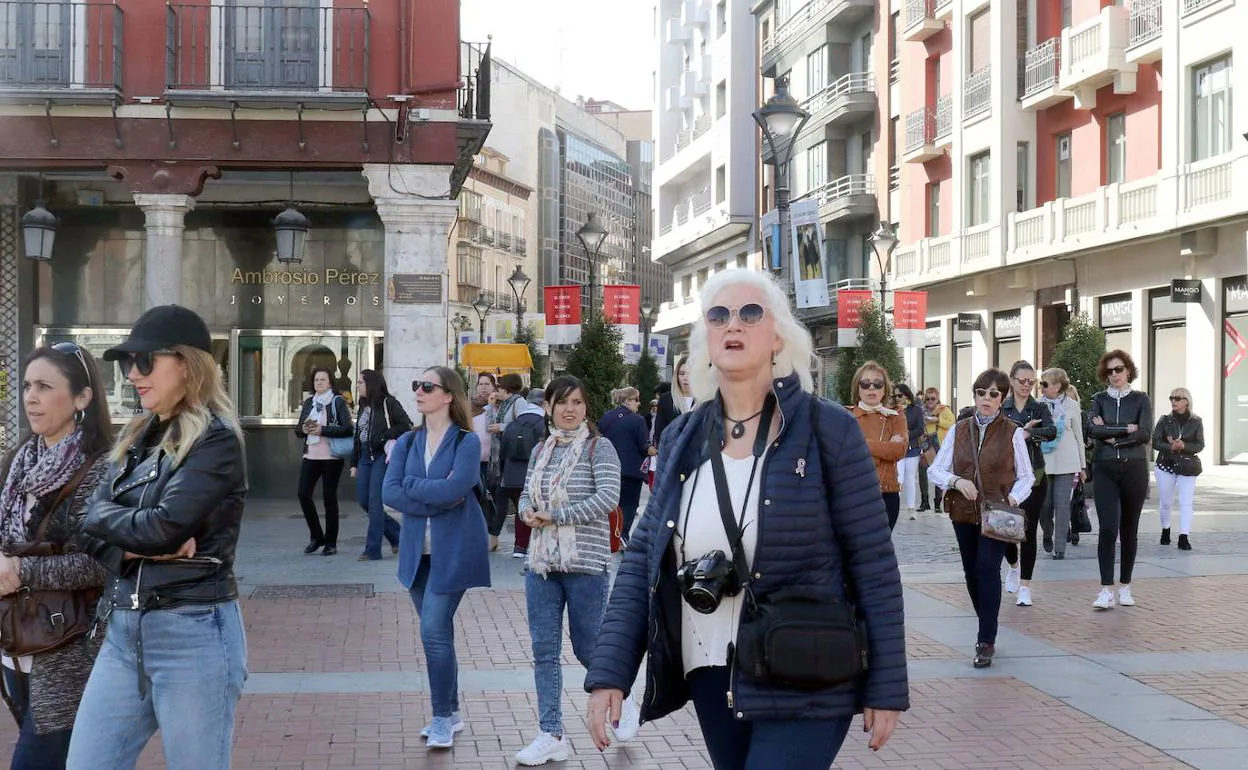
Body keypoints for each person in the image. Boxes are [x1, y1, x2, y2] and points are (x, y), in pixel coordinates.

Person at [584, 270, 907, 770]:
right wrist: (611, 673)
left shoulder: (828, 431)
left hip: (806, 667)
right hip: (712, 667)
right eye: (719, 316)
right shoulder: (684, 438)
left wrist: (886, 684)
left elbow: (873, 563)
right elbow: (643, 561)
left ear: (778, 336)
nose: (733, 324)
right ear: (706, 341)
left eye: (750, 313)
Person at [68, 305, 249, 769]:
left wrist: (123, 527)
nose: (132, 373)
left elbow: (162, 528)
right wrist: (135, 536)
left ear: (186, 364)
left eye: (144, 361)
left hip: (192, 629)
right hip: (123, 628)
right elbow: (82, 522)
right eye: (127, 362)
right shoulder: (137, 435)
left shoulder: (216, 440)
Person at [0, 344, 112, 768]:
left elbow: (99, 561)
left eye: (45, 387)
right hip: (16, 641)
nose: (31, 397)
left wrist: (21, 569)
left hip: (68, 645)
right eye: (28, 385)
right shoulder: (19, 461)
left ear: (82, 398)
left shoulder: (100, 469)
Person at [513, 376, 631, 766]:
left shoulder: (601, 447)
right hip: (542, 565)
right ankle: (551, 733)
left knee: (589, 648)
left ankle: (619, 698)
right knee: (544, 651)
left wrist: (557, 515)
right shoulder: (540, 450)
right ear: (547, 407)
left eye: (577, 403)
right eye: (562, 402)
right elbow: (527, 492)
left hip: (585, 564)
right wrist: (527, 511)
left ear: (586, 408)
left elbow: (608, 498)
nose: (570, 409)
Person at [382, 366, 491, 750]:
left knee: (432, 631)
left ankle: (441, 717)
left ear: (448, 396)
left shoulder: (466, 441)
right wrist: (431, 491)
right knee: (439, 634)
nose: (418, 391)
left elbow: (457, 488)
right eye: (416, 385)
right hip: (416, 554)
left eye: (427, 386)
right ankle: (454, 711)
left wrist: (417, 489)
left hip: (456, 550)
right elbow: (390, 492)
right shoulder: (409, 441)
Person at [928, 368, 1034, 668]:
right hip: (963, 512)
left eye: (993, 394)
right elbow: (935, 469)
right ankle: (986, 618)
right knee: (972, 573)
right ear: (974, 394)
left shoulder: (1012, 431)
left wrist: (1011, 499)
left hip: (998, 515)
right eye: (980, 392)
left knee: (987, 569)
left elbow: (1026, 477)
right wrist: (957, 482)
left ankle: (985, 639)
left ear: (1002, 398)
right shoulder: (960, 429)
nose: (986, 399)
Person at [1086, 350, 1152, 609]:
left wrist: (1113, 437)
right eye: (1110, 371)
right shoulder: (1098, 399)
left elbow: (1145, 433)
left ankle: (1125, 586)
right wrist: (1126, 428)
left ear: (1128, 371)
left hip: (1134, 468)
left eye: (1119, 369)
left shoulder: (1140, 399)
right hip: (1105, 468)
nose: (1115, 375)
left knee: (1129, 529)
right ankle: (1106, 590)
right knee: (1108, 528)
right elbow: (1093, 429)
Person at [1000, 361, 1055, 607]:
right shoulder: (1002, 407)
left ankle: (1025, 586)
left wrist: (1028, 434)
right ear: (1012, 380)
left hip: (1035, 475)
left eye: (1031, 381)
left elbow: (1052, 431)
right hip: (1006, 477)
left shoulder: (1039, 408)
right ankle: (1013, 565)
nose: (1026, 385)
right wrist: (1018, 432)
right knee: (1006, 533)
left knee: (1029, 531)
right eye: (1022, 380)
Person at [351, 369, 412, 561]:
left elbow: (406, 425)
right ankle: (396, 534)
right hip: (364, 458)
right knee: (364, 501)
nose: (357, 385)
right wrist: (353, 462)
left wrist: (384, 436)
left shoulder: (389, 403)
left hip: (381, 457)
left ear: (371, 384)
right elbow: (358, 436)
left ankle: (372, 549)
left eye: (360, 382)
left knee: (375, 503)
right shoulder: (362, 405)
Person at [295, 366, 353, 556]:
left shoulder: (337, 402)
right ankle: (316, 536)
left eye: (322, 379)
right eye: (316, 380)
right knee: (303, 494)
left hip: (331, 457)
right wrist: (304, 429)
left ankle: (331, 543)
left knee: (329, 498)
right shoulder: (309, 402)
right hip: (310, 455)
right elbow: (298, 430)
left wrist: (322, 430)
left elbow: (347, 429)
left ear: (330, 382)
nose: (318, 382)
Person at [849, 362, 907, 531]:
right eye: (865, 383)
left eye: (878, 384)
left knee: (879, 551)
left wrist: (862, 445)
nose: (871, 388)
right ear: (857, 388)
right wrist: (884, 449)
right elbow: (842, 453)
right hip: (853, 493)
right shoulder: (846, 416)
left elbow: (899, 450)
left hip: (886, 493)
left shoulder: (895, 416)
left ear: (884, 389)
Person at [1037, 368, 1086, 561]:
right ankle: (1047, 532)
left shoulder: (1073, 406)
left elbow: (1079, 436)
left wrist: (1082, 467)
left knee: (1062, 505)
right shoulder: (1038, 404)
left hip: (1067, 461)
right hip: (1044, 461)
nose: (1041, 387)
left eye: (1045, 384)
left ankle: (1060, 549)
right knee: (1045, 505)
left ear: (1057, 386)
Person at [498, 389, 548, 559]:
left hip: (511, 475)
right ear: (544, 404)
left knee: (522, 510)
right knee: (538, 510)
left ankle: (519, 546)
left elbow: (502, 451)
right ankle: (531, 546)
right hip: (532, 475)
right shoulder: (543, 423)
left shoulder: (513, 424)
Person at [1152, 387, 1203, 551]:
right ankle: (1165, 529)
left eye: (1178, 398)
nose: (1174, 401)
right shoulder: (1164, 419)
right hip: (1165, 465)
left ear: (1186, 401)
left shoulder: (1196, 421)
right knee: (1166, 502)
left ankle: (1183, 537)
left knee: (1186, 502)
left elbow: (1200, 444)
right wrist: (1170, 446)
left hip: (1187, 466)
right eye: (1171, 398)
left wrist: (1184, 445)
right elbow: (1155, 442)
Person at [599, 387, 649, 541]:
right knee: (629, 505)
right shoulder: (638, 420)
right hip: (631, 470)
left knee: (611, 503)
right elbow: (644, 446)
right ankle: (622, 534)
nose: (639, 403)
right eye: (636, 399)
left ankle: (609, 533)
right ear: (628, 401)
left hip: (608, 468)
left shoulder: (606, 417)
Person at [918, 388, 954, 512]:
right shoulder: (921, 411)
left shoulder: (944, 409)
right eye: (927, 399)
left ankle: (938, 504)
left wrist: (937, 420)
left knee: (937, 472)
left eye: (933, 398)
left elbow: (952, 423)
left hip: (938, 444)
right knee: (922, 472)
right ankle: (924, 502)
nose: (930, 401)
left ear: (937, 398)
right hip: (924, 443)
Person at [894, 384, 924, 521]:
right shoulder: (893, 410)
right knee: (898, 478)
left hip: (912, 448)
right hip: (898, 448)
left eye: (899, 395)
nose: (897, 398)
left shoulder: (916, 410)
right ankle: (894, 507)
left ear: (906, 395)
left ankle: (911, 508)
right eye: (895, 396)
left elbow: (920, 428)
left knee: (910, 479)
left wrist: (907, 434)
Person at [652, 354, 693, 449]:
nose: (685, 378)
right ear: (677, 376)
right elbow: (660, 433)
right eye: (682, 373)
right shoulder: (666, 400)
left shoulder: (705, 400)